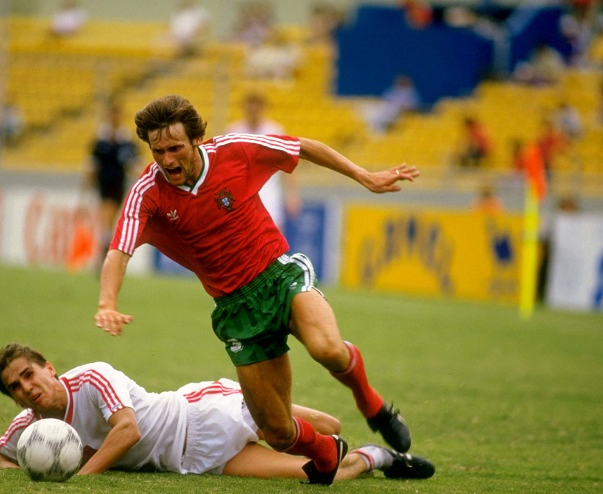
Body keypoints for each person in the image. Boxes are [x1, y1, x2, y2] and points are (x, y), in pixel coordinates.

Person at [94, 94, 420, 485]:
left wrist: (364, 176)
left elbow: (304, 147)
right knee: (279, 432)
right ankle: (326, 452)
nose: (166, 159)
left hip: (279, 276)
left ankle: (373, 405)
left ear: (196, 139)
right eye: (158, 150)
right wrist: (106, 302)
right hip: (236, 310)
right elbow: (118, 251)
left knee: (327, 349)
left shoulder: (235, 150)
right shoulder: (147, 193)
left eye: (175, 148)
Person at [0, 343, 435, 481]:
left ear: (48, 368)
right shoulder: (33, 428)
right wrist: (34, 464)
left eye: (28, 374)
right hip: (194, 459)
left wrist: (78, 475)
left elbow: (128, 431)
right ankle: (378, 457)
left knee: (328, 428)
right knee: (321, 473)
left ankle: (355, 434)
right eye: (16, 387)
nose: (27, 388)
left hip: (204, 412)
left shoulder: (93, 378)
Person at [227, 91, 301, 230]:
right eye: (250, 105)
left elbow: (289, 163)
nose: (254, 109)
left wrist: (292, 195)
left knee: (274, 230)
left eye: (257, 105)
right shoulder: (233, 131)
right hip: (241, 191)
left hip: (269, 189)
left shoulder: (275, 131)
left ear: (263, 107)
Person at [83, 103, 140, 260]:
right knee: (107, 217)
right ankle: (106, 251)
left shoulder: (126, 141)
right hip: (104, 185)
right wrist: (86, 191)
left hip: (118, 185)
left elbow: (134, 165)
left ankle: (106, 246)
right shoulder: (101, 141)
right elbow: (92, 167)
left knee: (110, 219)